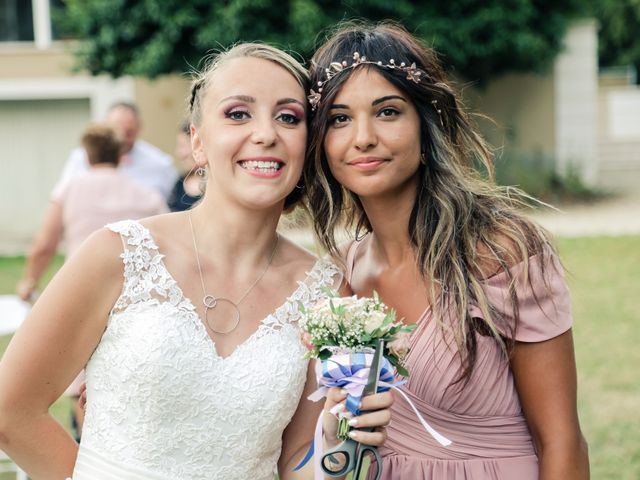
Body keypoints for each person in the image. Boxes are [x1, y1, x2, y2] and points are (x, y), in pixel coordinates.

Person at [0, 43, 391, 480]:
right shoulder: (117, 254)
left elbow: (295, 459)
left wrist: (338, 443)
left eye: (288, 117)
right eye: (238, 114)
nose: (265, 134)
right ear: (198, 142)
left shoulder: (326, 293)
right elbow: (10, 411)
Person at [304, 22, 590, 479]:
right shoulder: (344, 272)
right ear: (321, 142)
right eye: (339, 118)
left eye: (388, 112)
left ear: (425, 122)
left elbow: (560, 441)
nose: (363, 138)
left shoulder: (500, 252)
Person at [16, 124, 168, 302]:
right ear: (120, 156)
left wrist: (29, 281)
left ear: (87, 157)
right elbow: (166, 243)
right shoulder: (147, 195)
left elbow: (45, 245)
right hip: (134, 292)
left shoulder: (69, 190)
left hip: (80, 285)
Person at [52, 101, 178, 200]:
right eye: (116, 131)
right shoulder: (80, 158)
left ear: (139, 127)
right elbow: (60, 197)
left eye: (128, 132)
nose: (121, 139)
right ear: (105, 125)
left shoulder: (159, 163)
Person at [167, 121, 203, 211]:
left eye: (183, 146)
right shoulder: (179, 184)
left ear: (198, 145)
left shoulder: (217, 185)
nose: (179, 154)